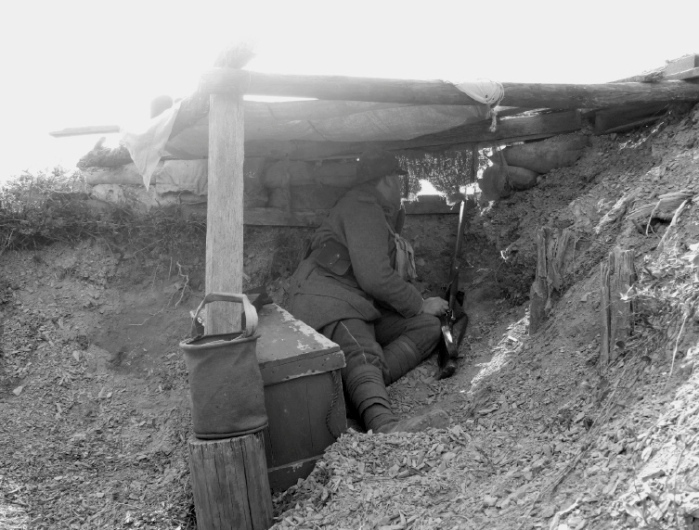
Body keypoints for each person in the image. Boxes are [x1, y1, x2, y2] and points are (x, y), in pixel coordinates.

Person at [287, 149, 450, 434]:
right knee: (361, 352)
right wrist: (418, 302)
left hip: (355, 301)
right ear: (386, 181)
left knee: (427, 328)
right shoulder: (362, 206)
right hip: (328, 299)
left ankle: (357, 389)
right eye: (397, 181)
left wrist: (418, 310)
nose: (401, 189)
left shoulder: (374, 209)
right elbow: (375, 277)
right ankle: (383, 426)